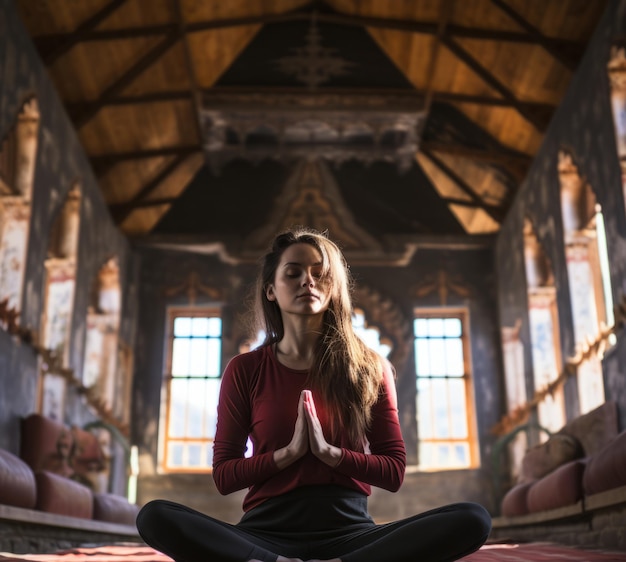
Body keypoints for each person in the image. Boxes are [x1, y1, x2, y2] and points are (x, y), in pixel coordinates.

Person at [136, 227, 492, 562]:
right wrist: (289, 454)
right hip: (264, 532)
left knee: (472, 518)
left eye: (320, 273)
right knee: (155, 516)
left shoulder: (369, 367)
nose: (308, 280)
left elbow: (393, 471)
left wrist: (330, 454)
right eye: (293, 273)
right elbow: (225, 476)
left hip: (350, 533)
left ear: (334, 286)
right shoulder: (245, 369)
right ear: (271, 289)